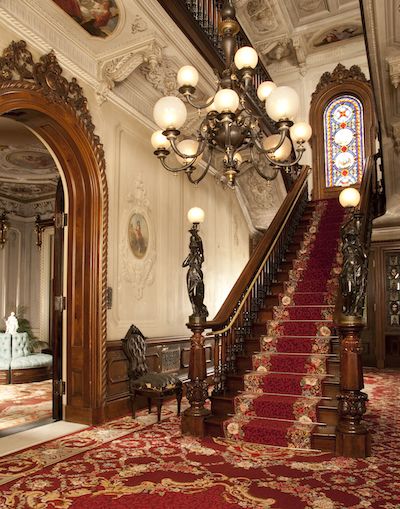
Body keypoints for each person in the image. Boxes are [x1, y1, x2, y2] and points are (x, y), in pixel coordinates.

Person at [182, 228, 208, 320]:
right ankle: (195, 311)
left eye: (194, 247)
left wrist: (196, 236)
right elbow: (183, 264)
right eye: (191, 247)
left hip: (197, 275)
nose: (193, 249)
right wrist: (189, 257)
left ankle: (200, 309)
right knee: (191, 294)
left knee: (198, 294)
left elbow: (202, 248)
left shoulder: (200, 256)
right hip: (190, 276)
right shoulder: (191, 257)